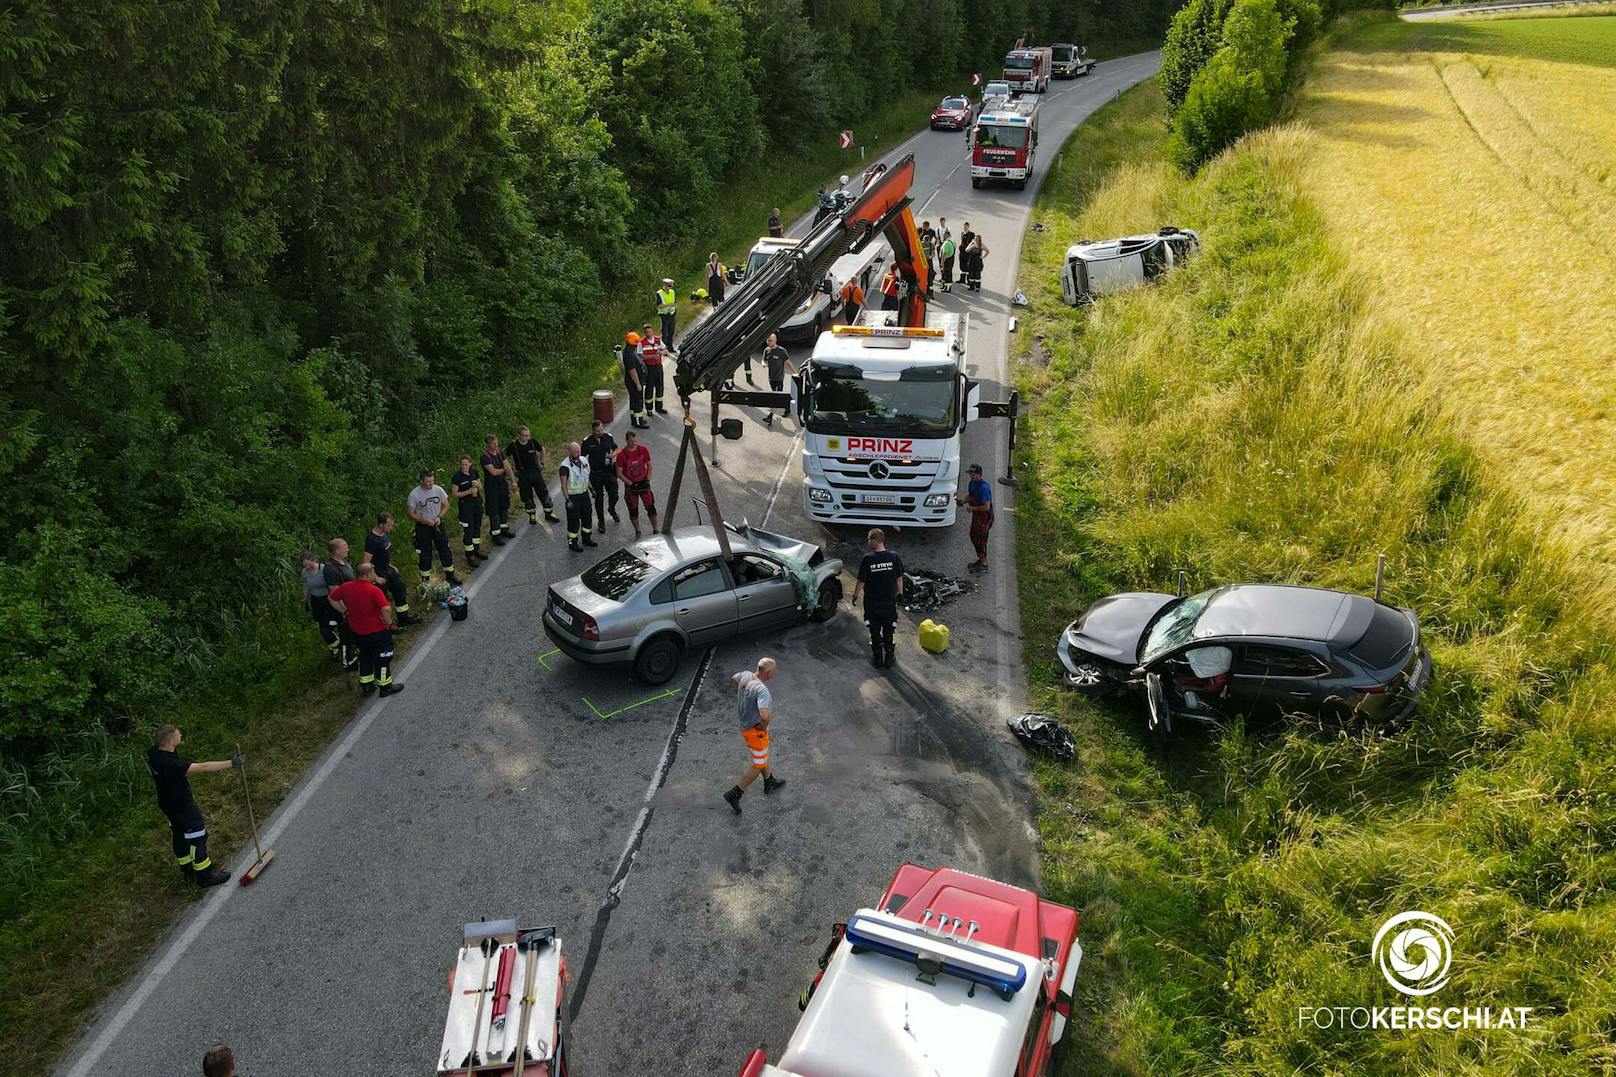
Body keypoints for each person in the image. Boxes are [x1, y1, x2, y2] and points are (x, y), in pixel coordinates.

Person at [146, 725, 242, 887]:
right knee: (197, 836)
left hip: (168, 804)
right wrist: (232, 763)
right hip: (182, 805)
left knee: (179, 835)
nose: (181, 735)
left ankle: (188, 869)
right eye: (178, 734)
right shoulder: (172, 764)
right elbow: (204, 767)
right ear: (170, 741)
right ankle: (205, 876)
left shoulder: (154, 753)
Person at [722, 657, 786, 815]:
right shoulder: (762, 691)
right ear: (769, 672)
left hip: (745, 726)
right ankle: (735, 793)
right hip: (754, 732)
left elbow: (733, 680)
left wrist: (742, 697)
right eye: (774, 671)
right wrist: (762, 729)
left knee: (762, 757)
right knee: (758, 764)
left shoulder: (745, 675)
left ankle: (769, 781)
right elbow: (764, 716)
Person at [329, 564, 403, 696]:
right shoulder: (373, 590)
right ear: (367, 575)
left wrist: (344, 611)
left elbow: (332, 598)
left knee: (365, 656)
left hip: (357, 631)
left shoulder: (346, 587)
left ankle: (367, 685)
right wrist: (388, 622)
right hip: (377, 631)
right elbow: (385, 608)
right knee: (383, 657)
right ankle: (385, 686)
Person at [852, 528, 905, 668]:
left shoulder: (868, 559)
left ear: (875, 541)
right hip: (888, 603)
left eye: (869, 539)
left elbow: (861, 581)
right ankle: (889, 657)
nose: (868, 542)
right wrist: (900, 594)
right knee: (889, 630)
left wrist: (855, 595)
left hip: (872, 604)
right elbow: (899, 579)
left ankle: (877, 658)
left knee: (874, 631)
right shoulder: (894, 557)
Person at [362, 512, 421, 626]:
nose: (391, 528)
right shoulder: (372, 540)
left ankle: (403, 617)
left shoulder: (384, 534)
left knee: (400, 588)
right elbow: (366, 562)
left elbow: (383, 553)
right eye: (389, 525)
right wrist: (375, 577)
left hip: (387, 568)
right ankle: (388, 625)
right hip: (379, 572)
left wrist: (390, 565)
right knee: (384, 600)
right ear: (381, 525)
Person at [407, 470, 462, 587]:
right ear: (421, 481)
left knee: (445, 549)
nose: (431, 484)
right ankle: (425, 581)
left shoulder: (438, 490)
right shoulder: (414, 494)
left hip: (438, 524)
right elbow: (411, 514)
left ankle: (450, 575)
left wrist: (439, 517)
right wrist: (423, 520)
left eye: (432, 481)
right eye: (428, 482)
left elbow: (446, 505)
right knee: (425, 553)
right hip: (423, 526)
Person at [507, 426, 559, 525]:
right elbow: (504, 458)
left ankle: (549, 514)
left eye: (528, 435)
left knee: (544, 495)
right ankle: (532, 515)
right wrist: (512, 471)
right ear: (519, 436)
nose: (527, 437)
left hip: (535, 472)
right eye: (525, 435)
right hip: (523, 474)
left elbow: (542, 449)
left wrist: (542, 463)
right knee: (527, 498)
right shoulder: (513, 446)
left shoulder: (532, 442)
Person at [321, 537, 359, 669]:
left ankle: (354, 657)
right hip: (343, 609)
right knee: (346, 636)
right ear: (336, 551)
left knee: (353, 635)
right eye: (345, 546)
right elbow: (335, 594)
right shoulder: (331, 569)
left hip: (352, 605)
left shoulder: (343, 562)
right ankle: (347, 662)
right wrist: (345, 611)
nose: (348, 548)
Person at [616, 430, 659, 539]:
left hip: (644, 484)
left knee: (651, 508)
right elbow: (619, 473)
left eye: (635, 441)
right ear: (627, 441)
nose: (634, 443)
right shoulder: (621, 455)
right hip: (631, 487)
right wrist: (631, 484)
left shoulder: (643, 450)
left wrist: (648, 479)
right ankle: (638, 531)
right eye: (631, 441)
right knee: (633, 511)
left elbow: (649, 466)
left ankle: (656, 529)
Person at [582, 419, 621, 530]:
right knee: (598, 499)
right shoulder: (587, 442)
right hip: (595, 474)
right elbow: (582, 458)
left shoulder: (608, 437)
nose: (600, 432)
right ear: (593, 431)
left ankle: (611, 509)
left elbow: (618, 449)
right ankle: (601, 522)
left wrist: (613, 455)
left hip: (609, 472)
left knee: (614, 494)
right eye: (598, 431)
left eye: (601, 430)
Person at [300, 551, 340, 660]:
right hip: (316, 601)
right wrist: (305, 600)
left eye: (308, 564)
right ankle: (334, 647)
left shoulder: (324, 570)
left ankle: (337, 646)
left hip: (328, 601)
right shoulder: (305, 572)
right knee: (322, 625)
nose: (307, 567)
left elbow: (333, 586)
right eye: (305, 565)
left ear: (313, 560)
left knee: (325, 629)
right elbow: (306, 585)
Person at [956, 463, 993, 574]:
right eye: (970, 473)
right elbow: (971, 495)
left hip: (984, 517)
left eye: (973, 474)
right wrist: (962, 500)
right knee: (973, 536)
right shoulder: (973, 483)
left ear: (979, 474)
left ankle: (984, 563)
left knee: (981, 540)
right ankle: (980, 559)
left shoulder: (984, 488)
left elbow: (986, 507)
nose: (971, 476)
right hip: (977, 516)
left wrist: (973, 508)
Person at [559, 442, 596, 552]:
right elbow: (563, 484)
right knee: (574, 520)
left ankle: (586, 538)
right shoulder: (564, 466)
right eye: (576, 451)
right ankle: (572, 542)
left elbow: (586, 476)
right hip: (573, 497)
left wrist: (591, 489)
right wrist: (567, 499)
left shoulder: (584, 460)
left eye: (579, 451)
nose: (579, 453)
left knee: (587, 516)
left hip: (584, 494)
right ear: (569, 452)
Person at [451, 455, 487, 565]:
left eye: (466, 464)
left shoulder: (474, 472)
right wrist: (468, 491)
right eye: (462, 465)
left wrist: (477, 485)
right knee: (469, 530)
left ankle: (476, 550)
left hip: (476, 503)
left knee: (477, 527)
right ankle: (469, 556)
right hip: (466, 506)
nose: (464, 467)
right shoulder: (457, 477)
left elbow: (480, 487)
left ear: (470, 463)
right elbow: (454, 493)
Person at [480, 434, 515, 544]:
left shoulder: (500, 452)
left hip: (502, 484)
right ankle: (496, 534)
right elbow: (493, 472)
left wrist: (513, 481)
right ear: (488, 444)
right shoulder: (485, 456)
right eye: (493, 443)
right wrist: (504, 469)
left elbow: (507, 466)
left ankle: (504, 529)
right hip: (491, 487)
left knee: (504, 507)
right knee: (494, 511)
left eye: (496, 442)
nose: (495, 445)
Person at [760, 332, 795, 427]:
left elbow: (788, 362)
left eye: (770, 340)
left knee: (775, 397)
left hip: (779, 378)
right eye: (767, 340)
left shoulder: (781, 351)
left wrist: (795, 372)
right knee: (778, 396)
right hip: (771, 378)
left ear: (775, 341)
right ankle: (787, 407)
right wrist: (763, 363)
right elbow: (763, 359)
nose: (768, 342)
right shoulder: (767, 350)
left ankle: (770, 417)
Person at [639, 322, 669, 416]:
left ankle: (659, 407)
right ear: (645, 333)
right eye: (647, 332)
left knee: (660, 387)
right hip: (649, 368)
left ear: (652, 331)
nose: (648, 334)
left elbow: (665, 351)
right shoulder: (641, 343)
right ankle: (649, 409)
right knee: (649, 388)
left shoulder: (658, 339)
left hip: (658, 367)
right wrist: (652, 356)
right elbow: (640, 357)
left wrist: (661, 352)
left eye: (650, 331)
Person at [620, 333, 648, 429]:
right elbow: (632, 371)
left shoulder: (630, 351)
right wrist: (638, 384)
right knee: (637, 401)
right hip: (634, 382)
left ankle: (634, 419)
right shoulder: (629, 354)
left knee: (633, 401)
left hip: (632, 382)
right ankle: (638, 422)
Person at [656, 277, 679, 348]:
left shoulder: (672, 292)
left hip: (672, 314)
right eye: (669, 285)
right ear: (664, 285)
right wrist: (670, 305)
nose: (670, 287)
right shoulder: (659, 293)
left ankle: (670, 347)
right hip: (664, 315)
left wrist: (675, 305)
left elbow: (674, 301)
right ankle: (663, 347)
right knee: (664, 332)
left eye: (671, 285)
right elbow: (658, 306)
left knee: (671, 331)